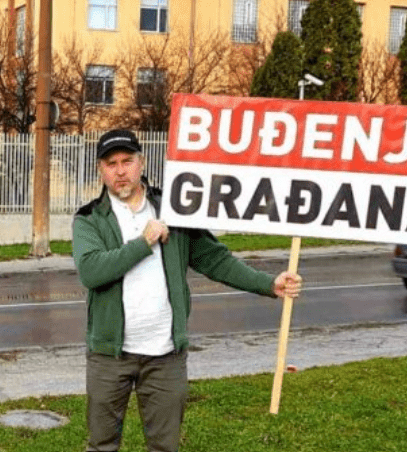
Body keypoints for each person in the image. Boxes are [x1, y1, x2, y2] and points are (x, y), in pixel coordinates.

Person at [72, 129, 303, 452]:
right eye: (111, 164)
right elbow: (92, 271)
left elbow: (215, 259)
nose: (120, 171)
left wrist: (267, 283)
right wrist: (144, 242)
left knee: (166, 447)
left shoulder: (174, 209)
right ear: (101, 170)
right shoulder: (90, 219)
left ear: (142, 162)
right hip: (110, 356)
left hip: (165, 355)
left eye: (127, 161)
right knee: (102, 445)